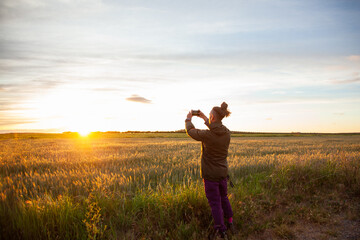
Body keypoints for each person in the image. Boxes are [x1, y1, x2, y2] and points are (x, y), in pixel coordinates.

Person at [185, 102, 234, 240]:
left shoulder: (208, 135)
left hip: (211, 176)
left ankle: (220, 230)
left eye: (210, 116)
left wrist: (188, 119)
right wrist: (206, 119)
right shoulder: (227, 133)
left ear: (213, 117)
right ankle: (230, 222)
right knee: (224, 198)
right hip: (223, 174)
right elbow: (216, 129)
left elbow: (191, 132)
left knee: (215, 203)